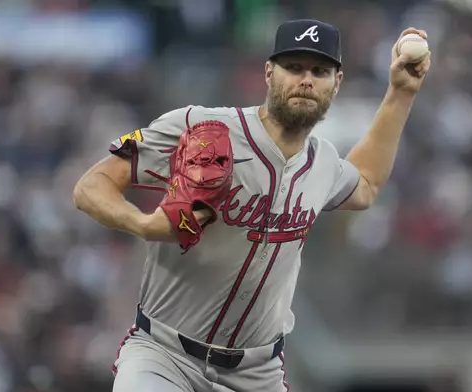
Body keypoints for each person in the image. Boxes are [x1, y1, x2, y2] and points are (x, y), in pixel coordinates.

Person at [73, 18, 430, 392]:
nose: (306, 80)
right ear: (268, 73)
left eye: (320, 71)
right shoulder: (202, 127)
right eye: (293, 68)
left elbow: (367, 183)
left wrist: (401, 92)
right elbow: (90, 186)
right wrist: (142, 224)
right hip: (163, 357)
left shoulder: (322, 163)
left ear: (336, 83)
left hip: (256, 374)